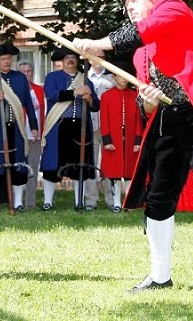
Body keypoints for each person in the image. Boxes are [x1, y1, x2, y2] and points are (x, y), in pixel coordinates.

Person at [72, 0, 193, 298]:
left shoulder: (174, 8)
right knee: (158, 195)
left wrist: (97, 43)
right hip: (170, 116)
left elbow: (140, 32)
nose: (129, 10)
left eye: (135, 3)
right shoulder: (142, 53)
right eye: (126, 7)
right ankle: (159, 276)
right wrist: (149, 99)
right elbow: (146, 98)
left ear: (154, 0)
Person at [0, 43, 38, 213]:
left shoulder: (20, 78)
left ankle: (18, 202)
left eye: (8, 59)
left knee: (18, 165)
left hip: (17, 128)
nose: (6, 62)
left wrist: (33, 126)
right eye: (3, 59)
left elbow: (28, 103)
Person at [42, 48, 99, 211]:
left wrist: (89, 99)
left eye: (73, 57)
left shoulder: (86, 80)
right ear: (62, 60)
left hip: (80, 126)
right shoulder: (53, 77)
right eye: (67, 58)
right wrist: (75, 92)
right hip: (59, 124)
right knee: (52, 166)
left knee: (78, 166)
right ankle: (48, 202)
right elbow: (52, 94)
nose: (70, 60)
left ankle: (78, 202)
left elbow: (96, 106)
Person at [99, 64, 143, 212]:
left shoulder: (134, 95)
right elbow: (104, 120)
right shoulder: (106, 96)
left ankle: (129, 202)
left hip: (130, 139)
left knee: (130, 173)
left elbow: (138, 120)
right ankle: (117, 202)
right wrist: (107, 140)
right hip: (114, 139)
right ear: (114, 77)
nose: (124, 79)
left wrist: (138, 140)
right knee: (115, 173)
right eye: (120, 75)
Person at [87, 53, 115, 209]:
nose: (99, 58)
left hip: (108, 128)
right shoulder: (84, 78)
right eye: (95, 55)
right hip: (90, 126)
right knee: (91, 163)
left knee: (108, 163)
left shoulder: (112, 78)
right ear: (89, 59)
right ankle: (91, 200)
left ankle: (111, 199)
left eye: (102, 55)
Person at [17, 60, 44, 210]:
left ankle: (31, 202)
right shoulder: (14, 90)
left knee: (32, 169)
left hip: (35, 136)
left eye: (29, 71)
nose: (26, 74)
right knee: (19, 168)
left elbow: (44, 112)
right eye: (23, 72)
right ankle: (17, 201)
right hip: (19, 135)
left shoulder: (39, 90)